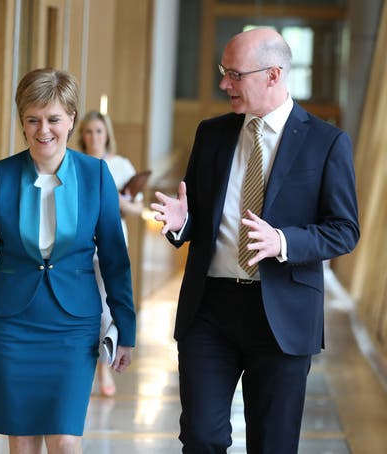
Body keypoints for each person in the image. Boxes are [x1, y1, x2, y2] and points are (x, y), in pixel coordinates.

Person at [150, 27, 359, 453]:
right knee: (201, 438)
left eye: (235, 74)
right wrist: (181, 224)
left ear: (273, 75)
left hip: (282, 316)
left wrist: (283, 241)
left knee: (272, 445)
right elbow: (197, 216)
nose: (224, 84)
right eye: (223, 72)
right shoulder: (211, 133)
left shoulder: (326, 142)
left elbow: (344, 229)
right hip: (209, 310)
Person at [0, 68, 136, 454]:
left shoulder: (95, 175)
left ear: (71, 119)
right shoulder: (1, 175)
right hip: (12, 324)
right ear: (22, 121)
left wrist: (126, 328)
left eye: (53, 119)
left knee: (66, 440)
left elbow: (116, 260)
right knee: (21, 440)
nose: (43, 130)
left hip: (73, 325)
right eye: (33, 120)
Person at [77, 111, 143, 397]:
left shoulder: (120, 165)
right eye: (89, 131)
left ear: (107, 134)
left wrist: (116, 201)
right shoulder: (75, 163)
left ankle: (104, 367)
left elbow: (137, 209)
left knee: (106, 309)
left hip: (112, 245)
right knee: (84, 308)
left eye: (99, 131)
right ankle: (85, 367)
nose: (94, 137)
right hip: (80, 246)